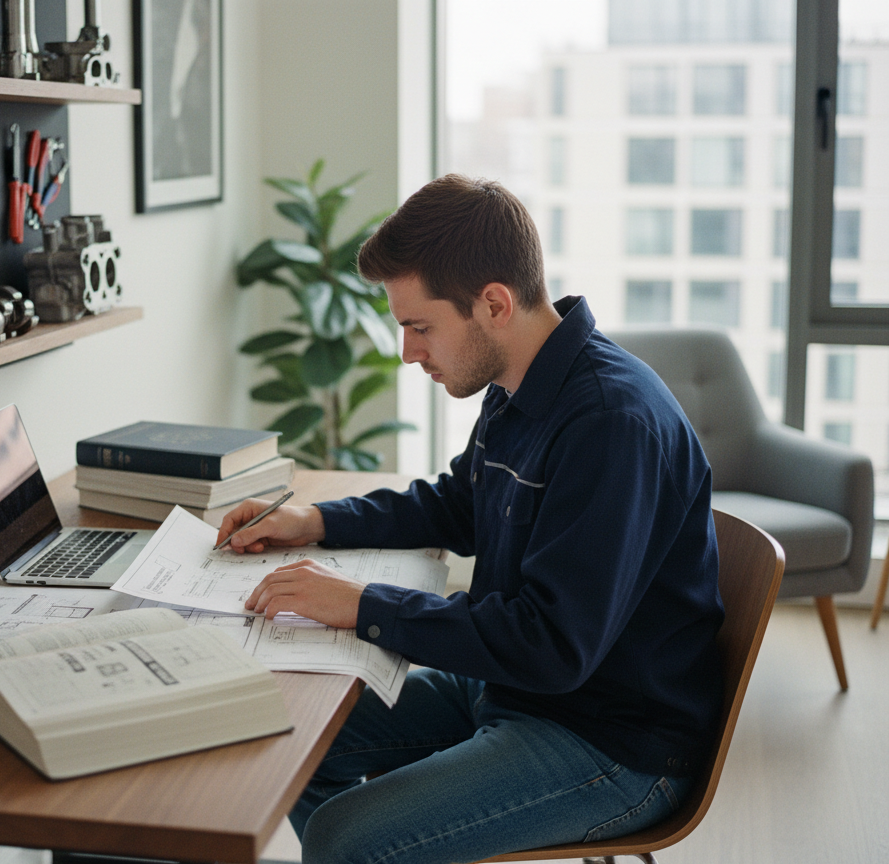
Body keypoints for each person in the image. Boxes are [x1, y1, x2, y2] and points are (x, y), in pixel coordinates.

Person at [215, 174, 724, 864]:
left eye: (419, 327)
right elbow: (460, 504)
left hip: (610, 740)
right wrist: (314, 521)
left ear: (492, 304)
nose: (408, 352)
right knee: (290, 734)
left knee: (343, 838)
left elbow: (551, 645)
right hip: (521, 690)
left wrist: (364, 605)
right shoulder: (520, 382)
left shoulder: (611, 422)